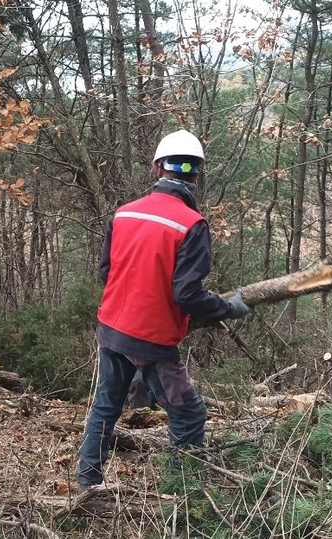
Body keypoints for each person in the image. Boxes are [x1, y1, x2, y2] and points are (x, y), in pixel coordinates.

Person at [77, 129, 254, 489]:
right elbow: (188, 294)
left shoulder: (123, 214)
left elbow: (106, 273)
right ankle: (184, 496)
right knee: (189, 414)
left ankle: (87, 484)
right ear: (196, 175)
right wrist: (228, 307)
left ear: (158, 169)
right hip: (154, 341)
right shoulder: (192, 224)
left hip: (112, 329)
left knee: (106, 407)